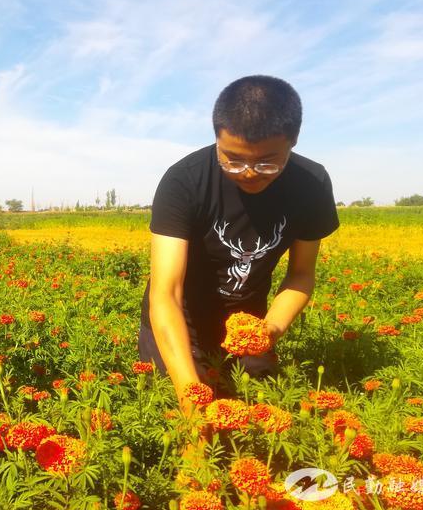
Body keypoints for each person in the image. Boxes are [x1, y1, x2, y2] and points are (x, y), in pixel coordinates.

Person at [138, 75, 339, 409]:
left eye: (267, 161)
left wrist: (270, 328)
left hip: (250, 319)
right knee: (179, 407)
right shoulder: (184, 181)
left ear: (293, 142)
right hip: (178, 315)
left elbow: (301, 274)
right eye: (232, 159)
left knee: (258, 405)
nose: (248, 172)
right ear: (217, 138)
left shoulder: (312, 185)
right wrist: (191, 395)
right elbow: (166, 293)